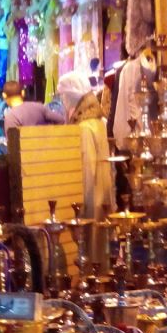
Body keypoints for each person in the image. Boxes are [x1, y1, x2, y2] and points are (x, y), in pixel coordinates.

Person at [56, 71, 115, 266]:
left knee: (91, 254)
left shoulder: (84, 128)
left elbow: (87, 170)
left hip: (91, 200)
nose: (63, 102)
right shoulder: (98, 123)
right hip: (103, 196)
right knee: (102, 254)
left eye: (64, 96)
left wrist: (81, 208)